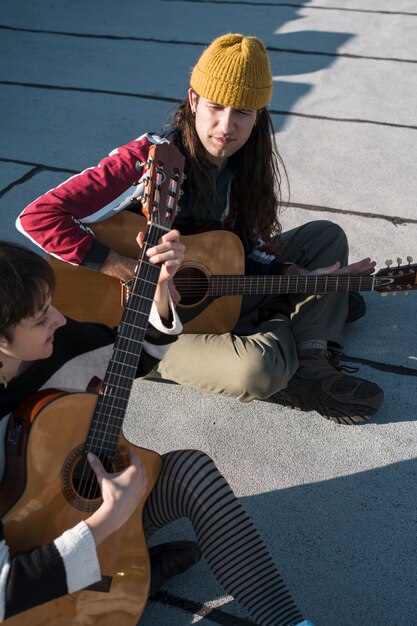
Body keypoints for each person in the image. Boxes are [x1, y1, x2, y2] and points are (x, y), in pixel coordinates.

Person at [16, 33, 383, 424]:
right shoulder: (147, 160)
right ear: (193, 100)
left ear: (259, 113)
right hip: (142, 327)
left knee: (325, 236)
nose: (226, 126)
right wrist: (129, 269)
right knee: (258, 368)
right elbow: (37, 217)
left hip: (215, 279)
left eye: (242, 112)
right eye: (215, 107)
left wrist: (292, 274)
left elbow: (247, 242)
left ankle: (310, 354)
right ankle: (296, 319)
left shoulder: (244, 163)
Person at [0, 241, 313, 626]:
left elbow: (137, 351)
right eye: (40, 317)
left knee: (192, 471)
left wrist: (161, 291)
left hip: (94, 508)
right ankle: (139, 573)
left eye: (52, 304)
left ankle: (289, 622)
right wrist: (109, 518)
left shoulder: (60, 344)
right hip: (26, 564)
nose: (60, 319)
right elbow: (6, 588)